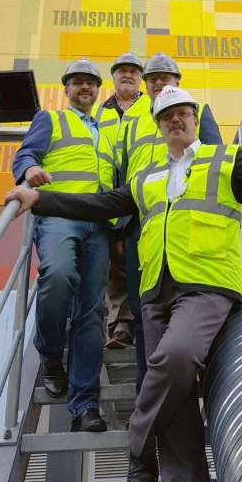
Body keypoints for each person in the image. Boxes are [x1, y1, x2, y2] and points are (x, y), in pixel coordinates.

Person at [6, 86, 242, 481]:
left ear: (195, 119)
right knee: (176, 403)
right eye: (166, 116)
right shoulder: (148, 176)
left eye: (182, 113)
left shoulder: (225, 160)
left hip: (206, 286)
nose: (175, 120)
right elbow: (100, 205)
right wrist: (40, 200)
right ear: (159, 126)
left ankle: (138, 454)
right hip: (155, 292)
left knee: (176, 357)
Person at [11, 58, 110, 433]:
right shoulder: (50, 119)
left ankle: (85, 406)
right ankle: (51, 354)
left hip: (99, 224)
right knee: (57, 275)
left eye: (91, 83)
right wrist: (28, 170)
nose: (85, 88)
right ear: (67, 88)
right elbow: (24, 153)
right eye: (78, 82)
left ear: (98, 90)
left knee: (91, 313)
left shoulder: (108, 130)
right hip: (57, 215)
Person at [118, 53, 222, 386]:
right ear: (145, 85)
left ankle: (196, 379)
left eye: (165, 77)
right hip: (140, 220)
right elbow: (122, 170)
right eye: (152, 79)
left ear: (177, 81)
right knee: (143, 305)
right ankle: (147, 385)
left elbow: (215, 158)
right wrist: (117, 227)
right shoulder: (132, 121)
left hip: (185, 220)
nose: (158, 83)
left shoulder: (197, 110)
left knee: (188, 301)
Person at [95, 52, 150, 350]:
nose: (127, 75)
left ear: (140, 78)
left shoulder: (151, 106)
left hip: (144, 194)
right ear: (113, 78)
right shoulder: (101, 112)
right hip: (110, 195)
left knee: (140, 260)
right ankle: (120, 327)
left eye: (133, 71)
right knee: (115, 265)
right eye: (121, 72)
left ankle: (146, 323)